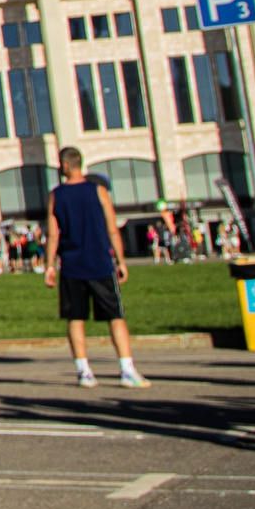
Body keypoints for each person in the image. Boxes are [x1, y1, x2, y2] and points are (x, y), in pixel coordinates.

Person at [45, 146, 147, 389]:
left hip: (71, 264)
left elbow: (52, 234)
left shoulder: (56, 195)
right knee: (115, 317)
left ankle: (84, 371)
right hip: (100, 262)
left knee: (75, 318)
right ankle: (127, 369)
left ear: (65, 166)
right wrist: (121, 261)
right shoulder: (99, 191)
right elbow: (113, 228)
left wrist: (49, 265)